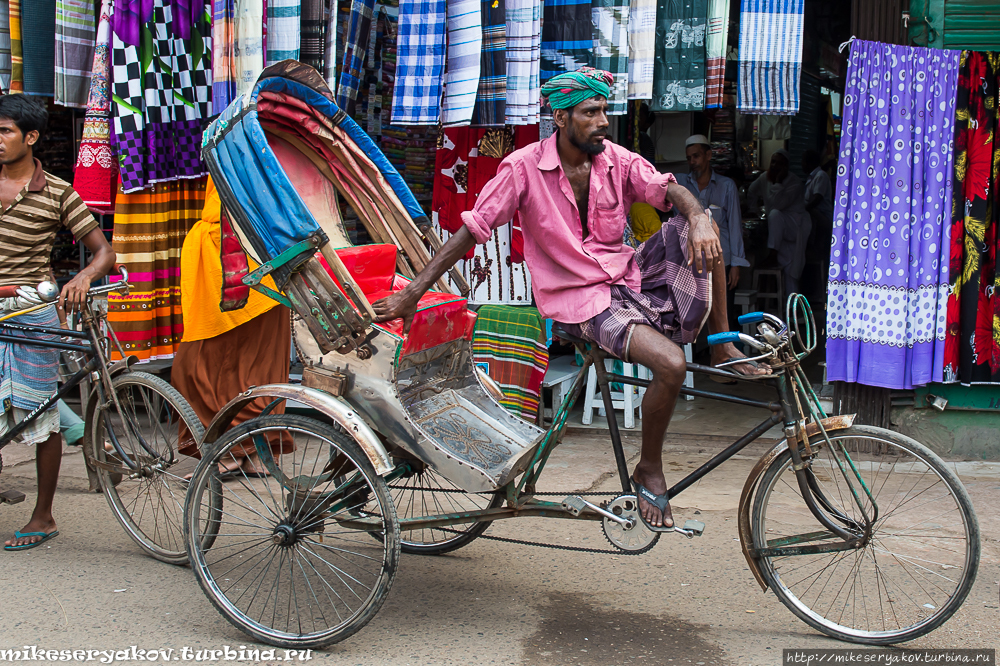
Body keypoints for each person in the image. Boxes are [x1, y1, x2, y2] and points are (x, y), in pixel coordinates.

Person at [373, 67, 768, 532]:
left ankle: (721, 344)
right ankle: (650, 468)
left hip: (626, 277)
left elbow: (668, 189)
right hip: (578, 301)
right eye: (590, 113)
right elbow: (471, 231)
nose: (603, 121)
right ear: (561, 118)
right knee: (672, 365)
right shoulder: (522, 168)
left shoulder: (614, 160)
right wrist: (413, 294)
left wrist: (698, 215)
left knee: (703, 226)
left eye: (604, 111)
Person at [0, 95, 116, 550]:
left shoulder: (59, 193)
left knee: (42, 412)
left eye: (5, 131)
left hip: (32, 309)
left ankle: (43, 515)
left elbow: (104, 251)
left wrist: (82, 277)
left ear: (30, 138)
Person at [171, 176, 292, 478]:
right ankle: (254, 453)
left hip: (233, 267)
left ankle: (232, 451)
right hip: (264, 263)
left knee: (198, 367)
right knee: (257, 368)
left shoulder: (235, 136)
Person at [675, 135, 749, 333]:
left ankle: (726, 358)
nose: (692, 162)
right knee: (692, 315)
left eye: (696, 156)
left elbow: (734, 226)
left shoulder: (726, 186)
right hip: (691, 262)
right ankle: (699, 359)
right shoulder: (680, 185)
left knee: (723, 314)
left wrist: (736, 264)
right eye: (689, 158)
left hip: (720, 262)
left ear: (708, 155)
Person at [745, 149, 811, 296]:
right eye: (773, 162)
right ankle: (790, 311)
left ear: (786, 166)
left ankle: (773, 253)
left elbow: (777, 205)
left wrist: (778, 182)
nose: (774, 166)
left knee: (774, 214)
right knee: (789, 269)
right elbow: (751, 191)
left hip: (794, 225)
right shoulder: (764, 178)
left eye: (779, 163)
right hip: (780, 230)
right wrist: (752, 209)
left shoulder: (794, 182)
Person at [803, 149, 833, 236]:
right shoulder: (811, 177)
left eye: (803, 161)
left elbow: (817, 199)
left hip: (822, 218)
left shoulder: (821, 175)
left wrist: (803, 209)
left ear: (809, 163)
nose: (802, 164)